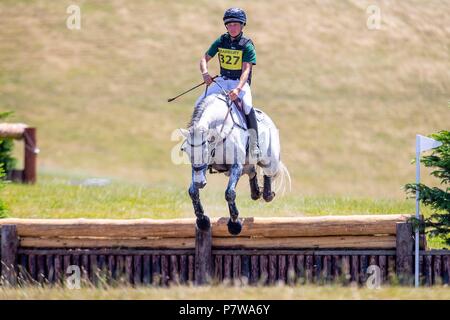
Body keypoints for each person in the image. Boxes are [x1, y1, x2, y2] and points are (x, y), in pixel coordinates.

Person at [196, 7, 261, 159]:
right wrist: (205, 73)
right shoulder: (221, 40)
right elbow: (204, 59)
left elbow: (246, 71)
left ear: (242, 26)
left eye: (236, 24)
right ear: (226, 26)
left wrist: (238, 89)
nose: (232, 28)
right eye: (229, 25)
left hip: (239, 83)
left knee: (247, 106)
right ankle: (195, 136)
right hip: (222, 81)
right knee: (199, 103)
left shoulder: (247, 45)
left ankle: (254, 143)